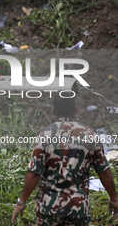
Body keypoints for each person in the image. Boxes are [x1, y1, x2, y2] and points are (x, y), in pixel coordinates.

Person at [12, 91, 118, 225]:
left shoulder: (45, 135)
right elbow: (103, 171)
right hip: (78, 209)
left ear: (53, 111)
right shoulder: (90, 135)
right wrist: (114, 198)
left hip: (49, 209)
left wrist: (21, 201)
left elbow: (34, 173)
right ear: (75, 109)